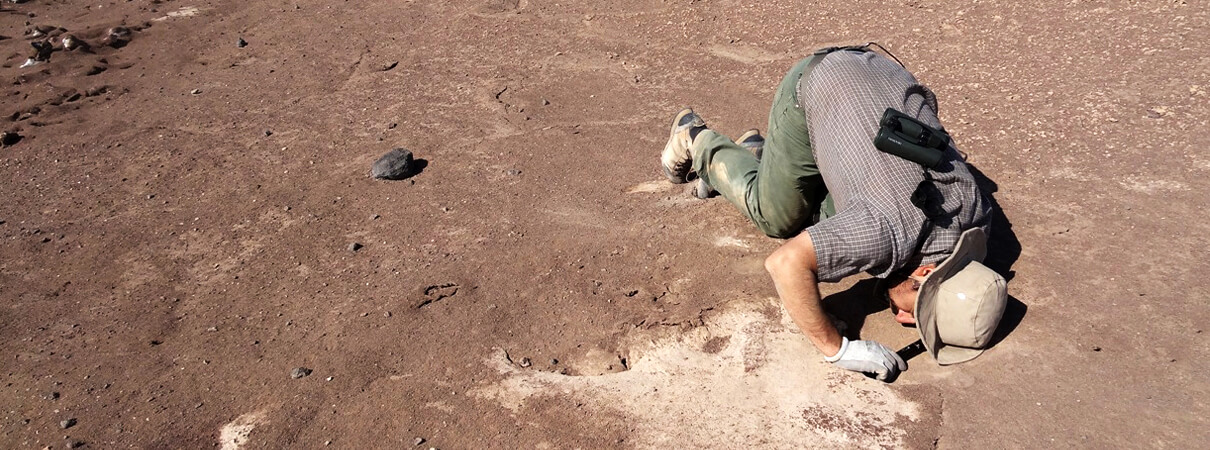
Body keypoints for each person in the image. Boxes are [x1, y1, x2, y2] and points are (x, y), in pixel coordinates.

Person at [659, 44, 1008, 381]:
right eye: (918, 312)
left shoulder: (977, 216)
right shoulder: (883, 231)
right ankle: (697, 139)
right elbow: (785, 265)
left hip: (880, 72)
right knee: (777, 219)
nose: (903, 319)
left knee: (823, 217)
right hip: (819, 83)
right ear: (927, 270)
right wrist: (836, 348)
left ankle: (760, 159)